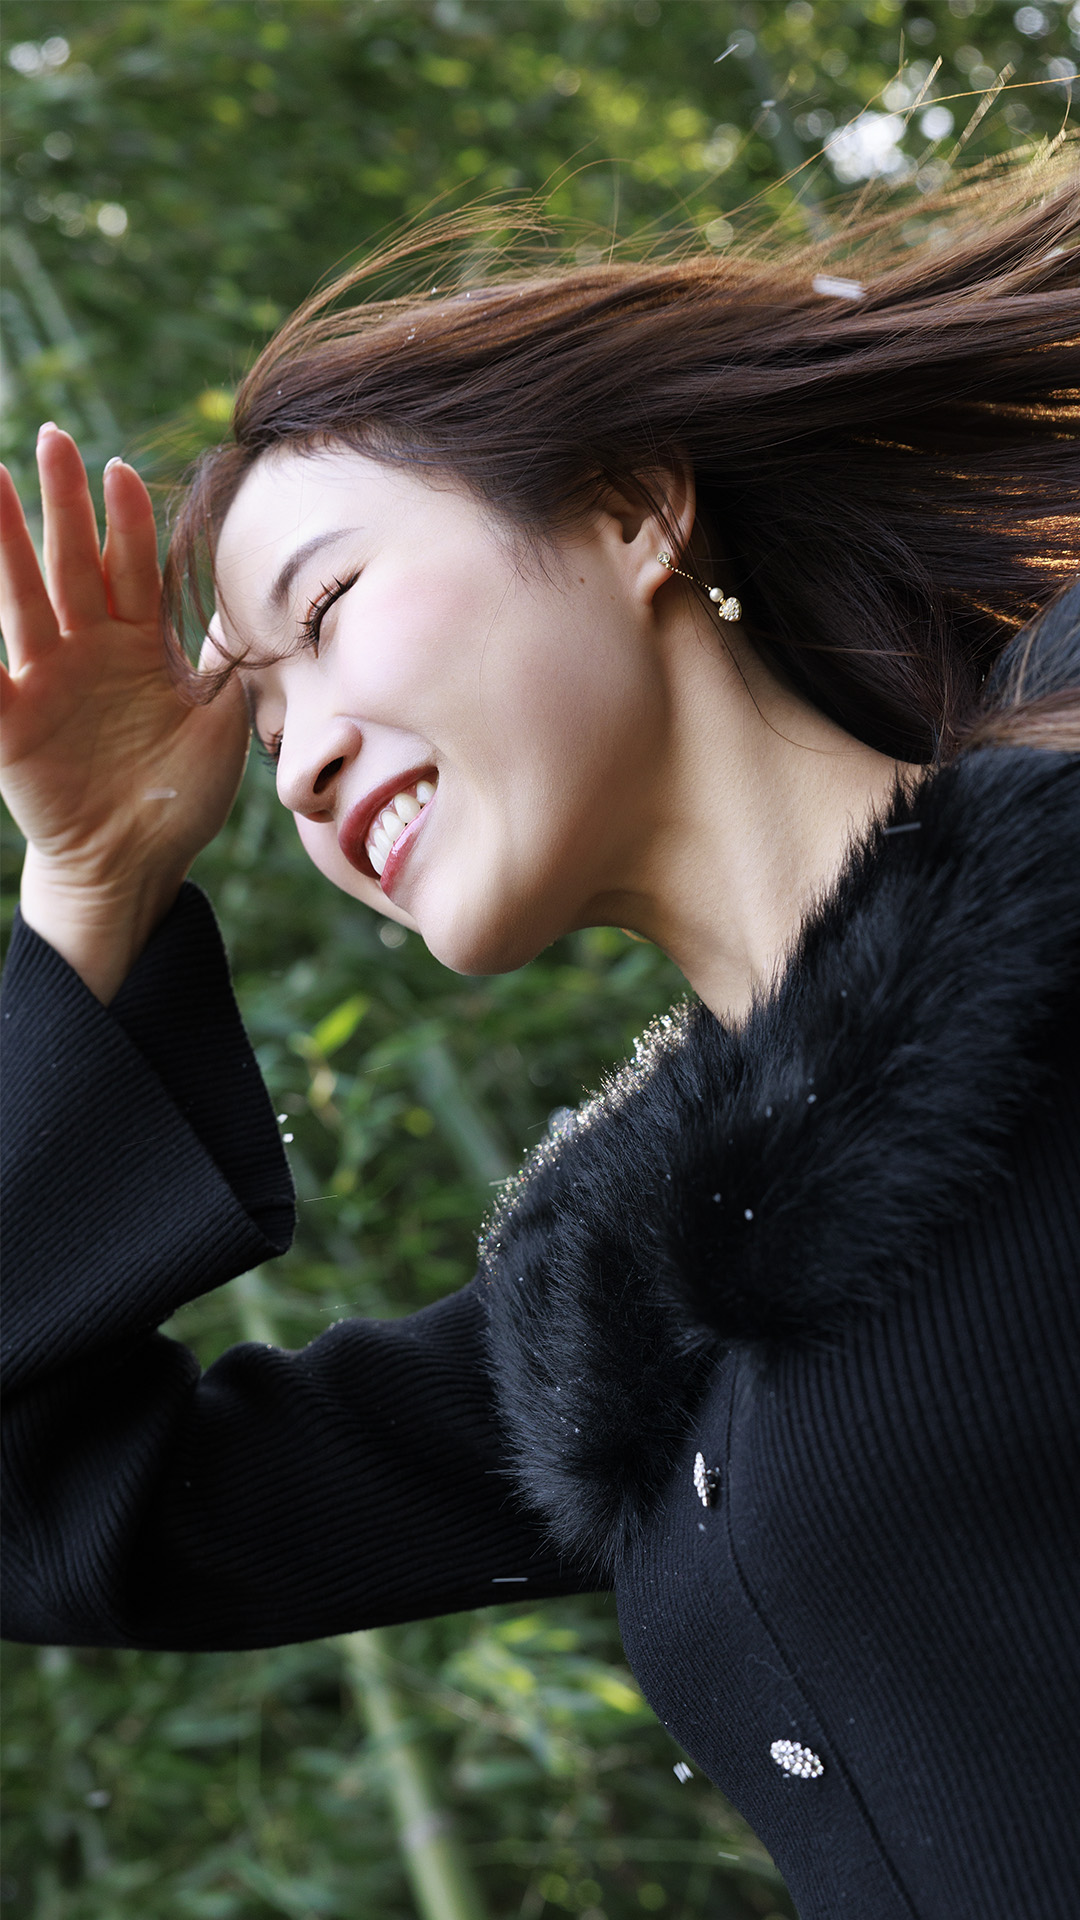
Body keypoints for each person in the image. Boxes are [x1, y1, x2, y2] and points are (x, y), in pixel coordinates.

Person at [2, 165, 1078, 1920]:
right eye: (259, 734)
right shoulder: (631, 1309)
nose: (296, 766)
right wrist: (94, 883)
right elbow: (56, 1511)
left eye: (325, 611)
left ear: (633, 509)